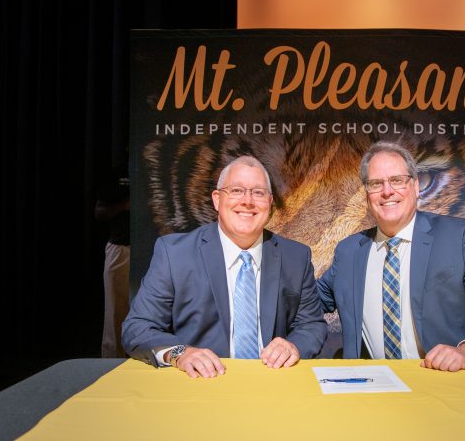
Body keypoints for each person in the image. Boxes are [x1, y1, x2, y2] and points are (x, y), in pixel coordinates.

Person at [317, 141, 465, 372]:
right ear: (367, 194)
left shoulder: (458, 237)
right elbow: (310, 301)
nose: (387, 191)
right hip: (374, 386)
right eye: (376, 184)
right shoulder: (348, 251)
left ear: (415, 186)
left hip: (445, 381)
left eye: (397, 180)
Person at [122, 156, 327, 378]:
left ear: (270, 202)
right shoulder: (175, 254)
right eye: (237, 190)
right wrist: (181, 353)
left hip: (272, 382)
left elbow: (312, 325)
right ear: (217, 200)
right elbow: (138, 327)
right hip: (198, 384)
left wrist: (294, 345)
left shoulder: (295, 256)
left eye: (258, 193)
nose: (248, 201)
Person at [95, 166, 131, 358]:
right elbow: (99, 212)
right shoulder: (116, 175)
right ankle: (112, 362)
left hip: (153, 248)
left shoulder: (152, 166)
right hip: (122, 248)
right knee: (116, 309)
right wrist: (123, 206)